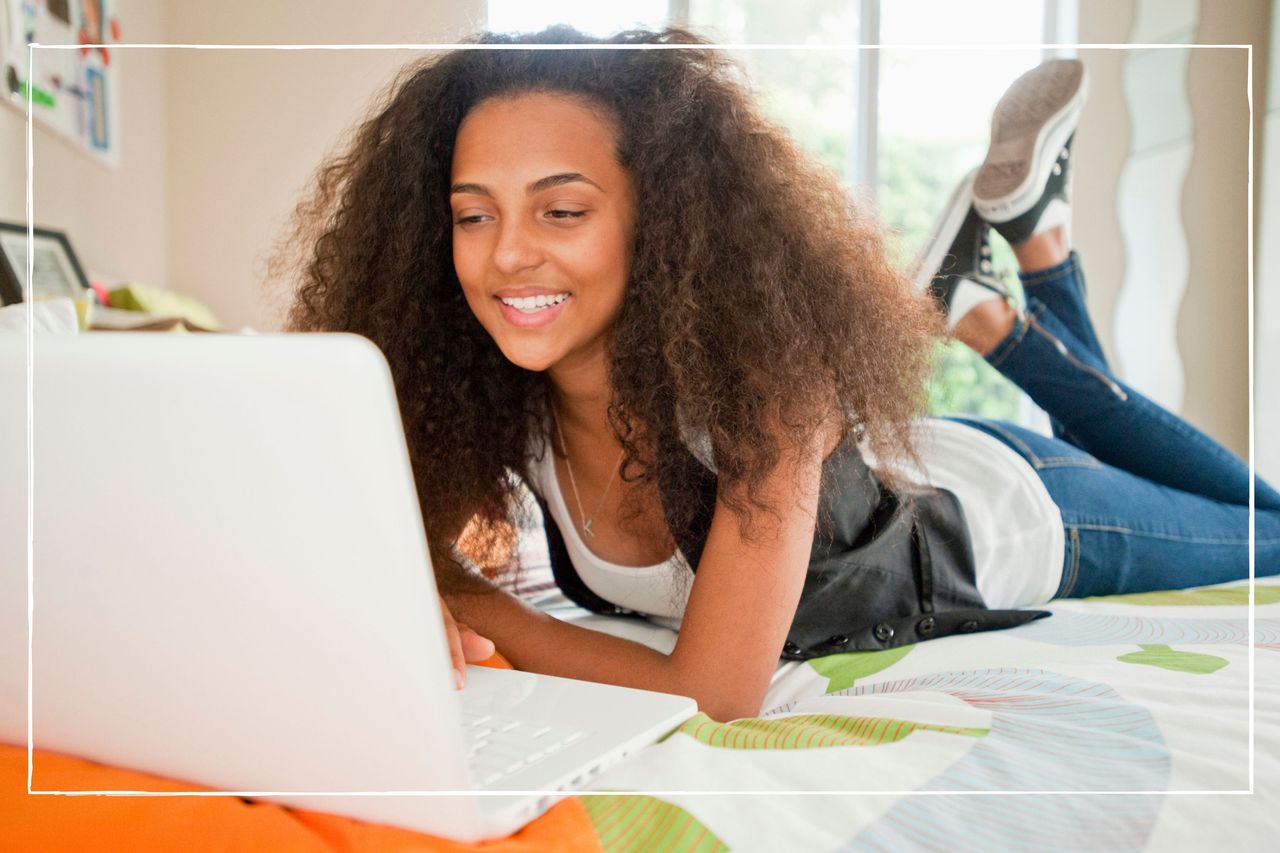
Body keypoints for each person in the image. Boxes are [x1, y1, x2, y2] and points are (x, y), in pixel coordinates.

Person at [279, 27, 1279, 722]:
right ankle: (1022, 262)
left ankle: (995, 319)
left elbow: (712, 693)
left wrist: (469, 600)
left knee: (1271, 531)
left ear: (656, 214)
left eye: (561, 210)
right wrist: (412, 579)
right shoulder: (491, 390)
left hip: (1016, 515)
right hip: (928, 464)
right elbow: (383, 556)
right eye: (471, 213)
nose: (504, 256)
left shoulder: (767, 390)